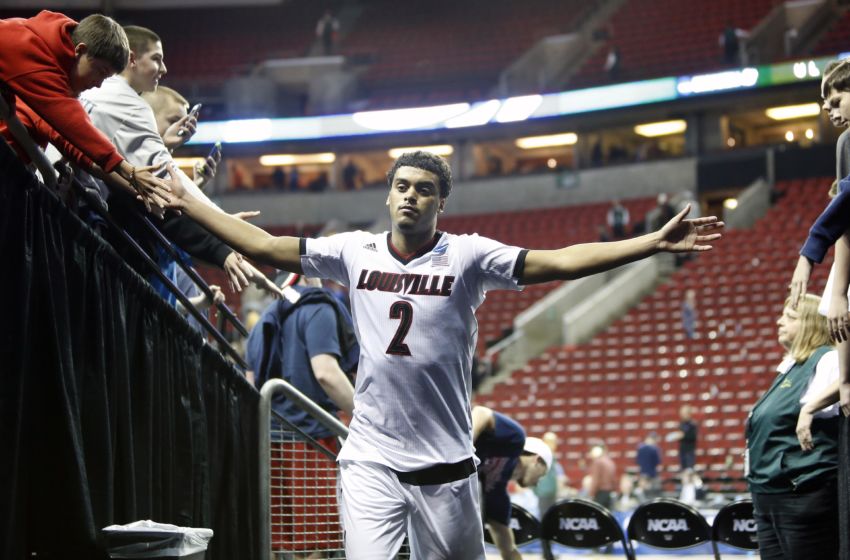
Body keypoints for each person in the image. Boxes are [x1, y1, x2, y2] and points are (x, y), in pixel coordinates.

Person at [166, 150, 723, 558]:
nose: (411, 195)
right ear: (388, 195)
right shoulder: (353, 251)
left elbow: (560, 260)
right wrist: (187, 197)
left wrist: (649, 243)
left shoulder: (469, 257)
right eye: (402, 186)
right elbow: (264, 246)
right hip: (371, 460)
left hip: (448, 465)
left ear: (441, 202)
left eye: (424, 189)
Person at [79, 26, 279, 298]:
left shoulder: (99, 95)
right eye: (157, 59)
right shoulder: (127, 103)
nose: (164, 69)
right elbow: (165, 185)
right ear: (132, 59)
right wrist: (220, 222)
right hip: (87, 227)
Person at [0, 11, 170, 212]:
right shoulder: (33, 56)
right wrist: (128, 170)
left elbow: (70, 140)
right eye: (100, 72)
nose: (98, 84)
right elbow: (74, 123)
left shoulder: (49, 56)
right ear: (80, 50)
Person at [246, 273, 358, 557]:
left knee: (280, 543)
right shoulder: (318, 308)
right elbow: (326, 373)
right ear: (308, 276)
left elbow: (249, 384)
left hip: (268, 442)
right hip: (311, 440)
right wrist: (367, 418)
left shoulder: (262, 321)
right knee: (317, 544)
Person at [747, 294, 841, 559]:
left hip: (801, 495)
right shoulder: (790, 368)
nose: (779, 322)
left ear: (812, 324)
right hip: (769, 495)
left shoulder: (827, 360)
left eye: (790, 317)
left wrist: (810, 407)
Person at [472, 406, 551, 560]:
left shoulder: (497, 492)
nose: (536, 484)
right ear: (537, 460)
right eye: (541, 475)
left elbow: (508, 548)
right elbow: (482, 412)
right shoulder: (515, 439)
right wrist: (464, 448)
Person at [532, 431, 567, 518]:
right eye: (550, 441)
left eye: (554, 442)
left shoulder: (551, 456)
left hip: (551, 493)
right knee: (545, 518)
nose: (553, 444)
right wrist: (536, 490)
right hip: (544, 493)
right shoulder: (542, 456)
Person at [586, 443, 617, 509]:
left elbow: (596, 480)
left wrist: (591, 494)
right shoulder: (610, 462)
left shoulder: (598, 462)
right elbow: (614, 480)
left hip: (600, 493)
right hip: (608, 493)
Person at [668, 404, 698, 470]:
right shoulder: (681, 424)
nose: (682, 415)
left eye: (684, 413)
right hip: (682, 450)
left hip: (689, 451)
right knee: (683, 469)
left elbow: (693, 436)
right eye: (681, 413)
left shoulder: (692, 424)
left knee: (689, 470)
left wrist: (683, 435)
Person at [636, 432, 661, 498]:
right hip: (652, 474)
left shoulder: (640, 448)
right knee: (653, 493)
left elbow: (638, 461)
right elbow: (657, 462)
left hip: (643, 473)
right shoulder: (654, 449)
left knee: (643, 492)